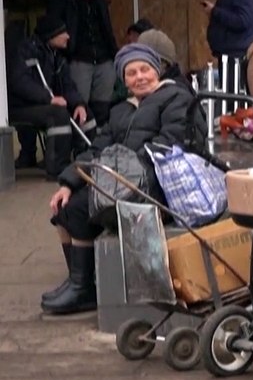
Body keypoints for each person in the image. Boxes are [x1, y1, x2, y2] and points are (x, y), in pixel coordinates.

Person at [42, 44, 200, 315]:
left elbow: (169, 145)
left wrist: (120, 169)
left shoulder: (176, 98)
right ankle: (78, 281)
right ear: (124, 81)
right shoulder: (120, 111)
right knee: (63, 205)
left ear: (157, 71)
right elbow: (97, 149)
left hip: (157, 185)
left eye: (144, 70)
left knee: (80, 209)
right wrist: (68, 182)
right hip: (122, 180)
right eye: (131, 73)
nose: (139, 77)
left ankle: (82, 288)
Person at [7, 16, 96, 175]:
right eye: (63, 32)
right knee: (58, 115)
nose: (68, 36)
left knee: (84, 114)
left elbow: (67, 85)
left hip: (43, 104)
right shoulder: (26, 52)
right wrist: (48, 98)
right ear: (51, 35)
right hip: (21, 107)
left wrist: (78, 104)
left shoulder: (57, 56)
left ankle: (86, 159)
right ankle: (58, 167)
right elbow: (20, 83)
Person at [55, 0, 117, 127]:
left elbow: (108, 31)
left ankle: (101, 138)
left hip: (104, 59)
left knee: (103, 105)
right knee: (79, 105)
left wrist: (114, 56)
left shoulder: (100, 0)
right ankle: (81, 140)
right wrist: (66, 55)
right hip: (78, 59)